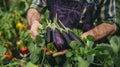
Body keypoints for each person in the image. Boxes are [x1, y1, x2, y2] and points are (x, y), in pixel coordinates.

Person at [27, 0, 116, 57]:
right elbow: (34, 9)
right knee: (51, 58)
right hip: (52, 44)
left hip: (83, 50)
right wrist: (34, 22)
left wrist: (82, 39)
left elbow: (110, 24)